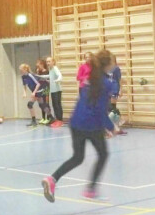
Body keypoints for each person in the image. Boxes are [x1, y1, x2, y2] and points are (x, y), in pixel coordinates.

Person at [42, 49, 115, 202]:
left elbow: (85, 103)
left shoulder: (89, 79)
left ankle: (52, 179)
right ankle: (90, 191)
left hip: (76, 122)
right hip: (91, 124)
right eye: (113, 62)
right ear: (107, 65)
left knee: (77, 157)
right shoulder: (106, 84)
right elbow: (100, 110)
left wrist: (104, 126)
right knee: (103, 155)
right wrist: (111, 127)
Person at [39, 56, 64, 127]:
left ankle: (59, 121)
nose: (48, 63)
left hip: (57, 90)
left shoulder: (55, 68)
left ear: (53, 62)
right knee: (55, 106)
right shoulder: (50, 69)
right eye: (47, 62)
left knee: (57, 106)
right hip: (53, 91)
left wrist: (57, 80)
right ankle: (58, 120)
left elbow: (60, 76)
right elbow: (49, 76)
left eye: (49, 61)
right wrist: (40, 77)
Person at [107, 59, 126, 136]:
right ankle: (116, 126)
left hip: (114, 89)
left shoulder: (116, 68)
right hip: (107, 89)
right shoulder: (105, 69)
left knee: (111, 107)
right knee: (109, 108)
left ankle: (119, 122)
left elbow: (119, 80)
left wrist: (121, 89)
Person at [36, 59, 51, 124]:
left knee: (46, 103)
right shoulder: (39, 71)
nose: (37, 65)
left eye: (38, 64)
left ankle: (49, 117)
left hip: (46, 88)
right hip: (41, 88)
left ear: (42, 64)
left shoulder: (46, 71)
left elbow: (46, 80)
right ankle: (43, 118)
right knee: (42, 103)